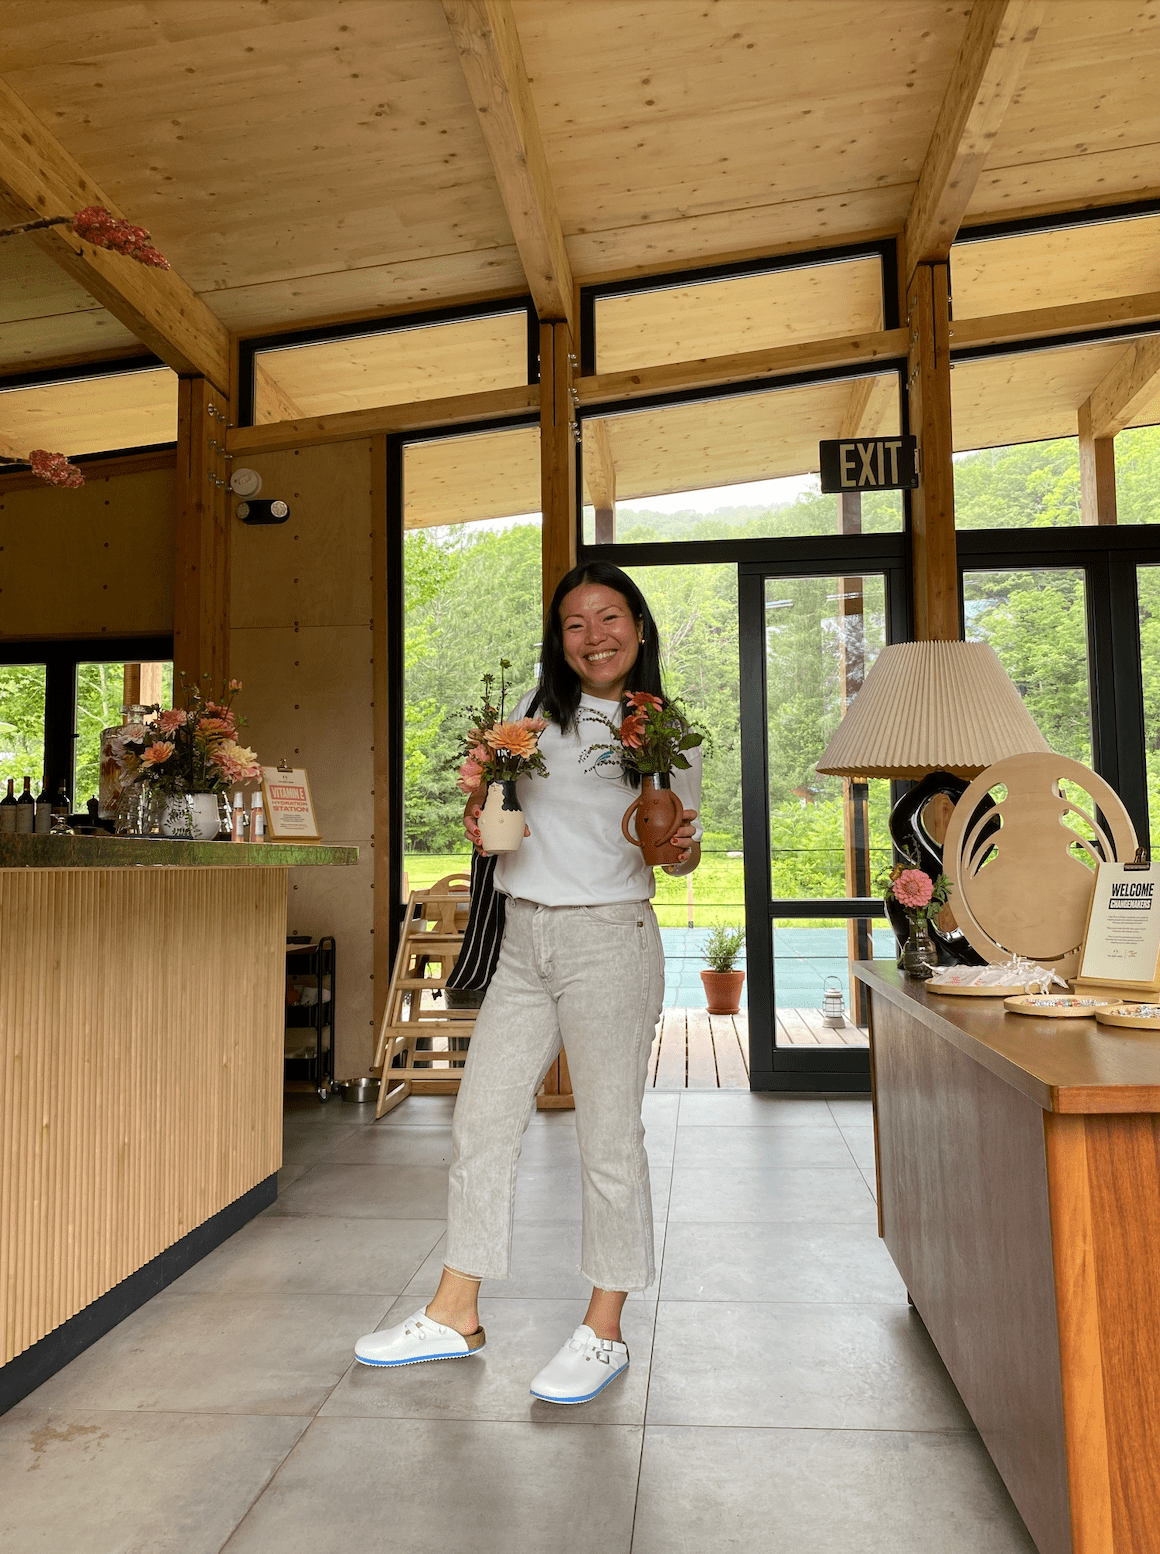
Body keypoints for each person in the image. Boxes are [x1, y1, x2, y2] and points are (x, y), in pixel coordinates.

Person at [355, 561, 701, 1403]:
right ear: (559, 639)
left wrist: (680, 849)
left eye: (609, 617)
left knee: (610, 1138)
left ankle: (605, 1329)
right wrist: (482, 817)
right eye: (575, 623)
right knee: (482, 1122)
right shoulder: (527, 723)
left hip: (609, 940)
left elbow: (679, 843)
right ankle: (455, 1312)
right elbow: (493, 823)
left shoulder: (665, 732)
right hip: (522, 938)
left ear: (639, 627)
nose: (595, 637)